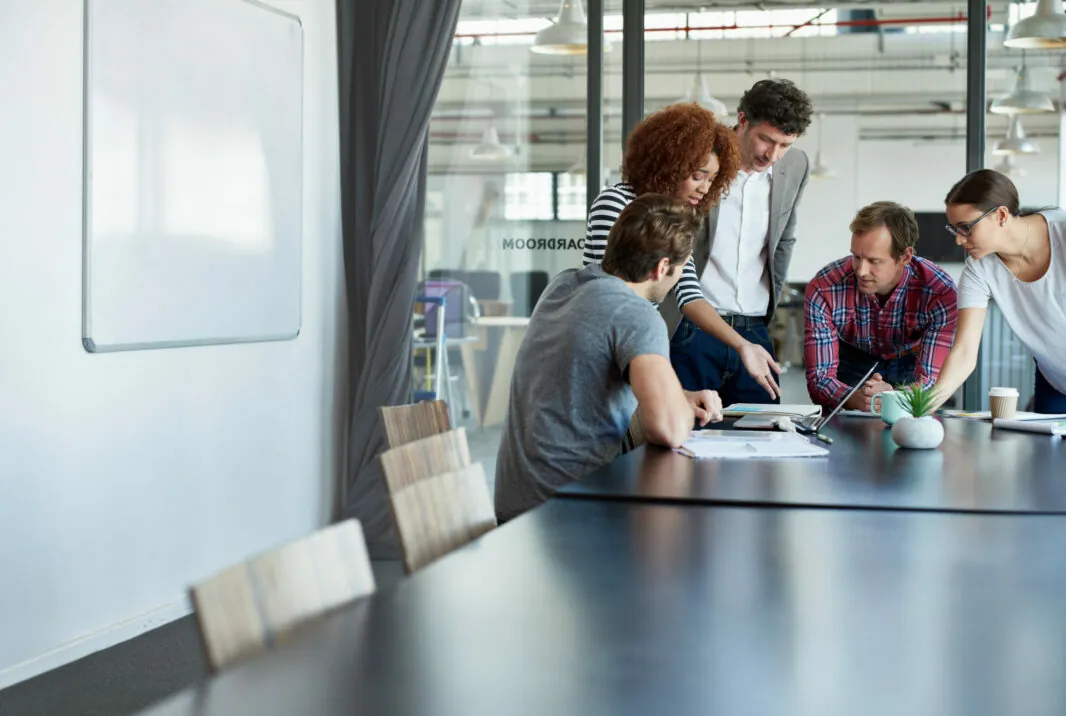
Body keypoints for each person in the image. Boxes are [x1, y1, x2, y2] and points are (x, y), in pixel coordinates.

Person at [495, 195, 723, 522]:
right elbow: (669, 429)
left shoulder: (562, 286)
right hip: (569, 512)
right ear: (662, 268)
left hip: (516, 505)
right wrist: (681, 409)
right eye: (682, 268)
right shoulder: (636, 314)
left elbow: (585, 379)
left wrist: (680, 396)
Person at [583, 103, 786, 399]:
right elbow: (608, 292)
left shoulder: (679, 219)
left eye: (712, 179)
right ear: (669, 164)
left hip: (637, 347)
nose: (705, 188)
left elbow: (689, 294)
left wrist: (743, 345)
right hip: (609, 348)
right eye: (697, 175)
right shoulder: (616, 202)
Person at [663, 79, 814, 406]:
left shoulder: (796, 166)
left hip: (755, 329)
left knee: (762, 439)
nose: (773, 155)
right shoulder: (703, 162)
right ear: (742, 120)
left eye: (785, 145)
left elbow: (785, 237)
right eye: (766, 140)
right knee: (687, 440)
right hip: (693, 327)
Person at [931, 169, 1066, 414]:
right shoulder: (979, 268)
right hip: (1056, 380)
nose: (959, 240)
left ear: (1001, 215)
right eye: (954, 230)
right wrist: (922, 407)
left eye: (965, 228)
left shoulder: (1063, 233)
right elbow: (964, 352)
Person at [804, 201, 959, 410]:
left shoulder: (939, 291)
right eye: (856, 257)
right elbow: (819, 380)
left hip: (912, 364)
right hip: (852, 363)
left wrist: (894, 397)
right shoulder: (824, 287)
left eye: (874, 261)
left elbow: (931, 382)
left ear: (905, 257)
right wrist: (855, 399)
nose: (860, 271)